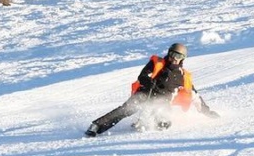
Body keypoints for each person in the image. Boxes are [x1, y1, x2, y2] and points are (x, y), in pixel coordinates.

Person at [86, 42, 219, 136]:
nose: (174, 58)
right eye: (172, 54)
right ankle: (97, 126)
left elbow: (195, 96)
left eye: (178, 56)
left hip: (163, 102)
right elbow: (143, 75)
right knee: (127, 109)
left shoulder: (183, 76)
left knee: (163, 121)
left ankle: (146, 124)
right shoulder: (157, 63)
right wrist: (148, 81)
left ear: (182, 59)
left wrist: (208, 112)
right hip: (145, 94)